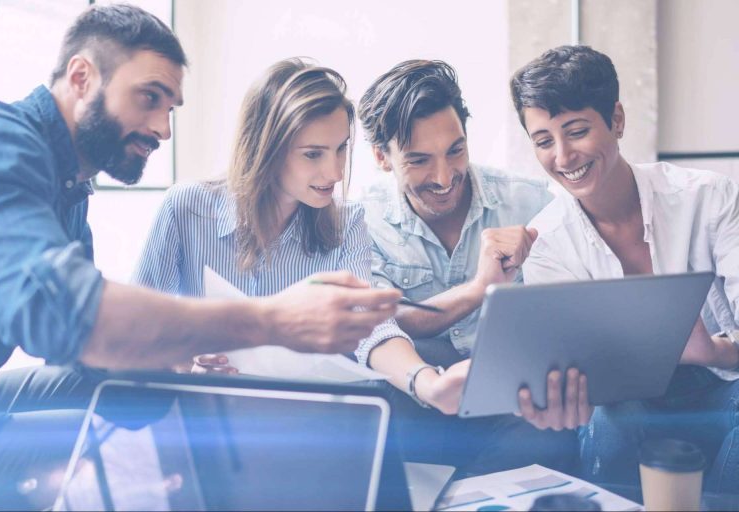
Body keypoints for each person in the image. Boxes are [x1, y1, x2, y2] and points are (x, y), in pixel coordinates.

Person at [0, 5, 399, 509]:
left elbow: (89, 356)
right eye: (149, 98)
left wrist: (179, 363)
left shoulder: (70, 191)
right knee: (123, 452)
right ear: (81, 77)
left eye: (170, 108)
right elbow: (61, 313)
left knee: (155, 413)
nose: (163, 129)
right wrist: (272, 321)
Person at [511, 44, 739, 492]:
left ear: (616, 120)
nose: (563, 156)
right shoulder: (546, 242)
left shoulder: (709, 197)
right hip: (622, 404)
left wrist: (713, 351)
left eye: (577, 131)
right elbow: (575, 373)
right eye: (544, 141)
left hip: (721, 385)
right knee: (613, 419)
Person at [356, 59, 577, 474]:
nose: (444, 177)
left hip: (514, 406)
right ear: (382, 157)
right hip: (415, 402)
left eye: (455, 151)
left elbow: (570, 314)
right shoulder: (362, 221)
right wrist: (480, 288)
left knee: (550, 433)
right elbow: (378, 322)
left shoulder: (530, 203)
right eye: (419, 160)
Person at [133, 58, 411, 368]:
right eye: (313, 154)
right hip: (205, 396)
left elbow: (370, 329)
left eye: (341, 148)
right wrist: (185, 365)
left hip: (301, 397)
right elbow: (137, 329)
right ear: (266, 148)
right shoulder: (186, 208)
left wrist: (423, 379)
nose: (335, 173)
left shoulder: (348, 223)